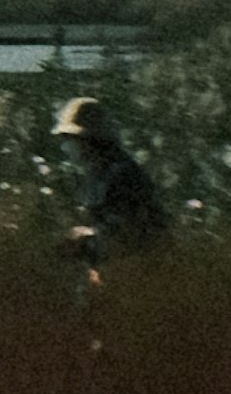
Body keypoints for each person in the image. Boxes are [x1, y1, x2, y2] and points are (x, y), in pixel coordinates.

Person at [53, 92, 167, 273]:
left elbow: (129, 235)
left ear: (89, 140)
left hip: (137, 272)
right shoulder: (98, 173)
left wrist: (86, 239)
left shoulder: (122, 175)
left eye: (70, 139)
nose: (66, 146)